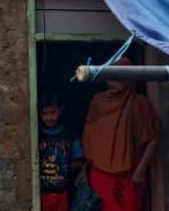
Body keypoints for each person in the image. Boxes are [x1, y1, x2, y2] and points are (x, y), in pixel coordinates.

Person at [82, 57, 159, 211]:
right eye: (110, 77)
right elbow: (92, 142)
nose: (113, 82)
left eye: (118, 77)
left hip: (130, 175)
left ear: (128, 78)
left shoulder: (139, 103)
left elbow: (153, 139)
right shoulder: (98, 101)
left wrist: (141, 170)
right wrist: (84, 171)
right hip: (100, 174)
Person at [38, 92, 85, 211]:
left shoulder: (70, 135)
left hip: (63, 191)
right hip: (40, 191)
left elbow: (79, 161)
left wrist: (62, 163)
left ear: (60, 110)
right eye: (45, 114)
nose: (49, 117)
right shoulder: (36, 134)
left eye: (52, 113)